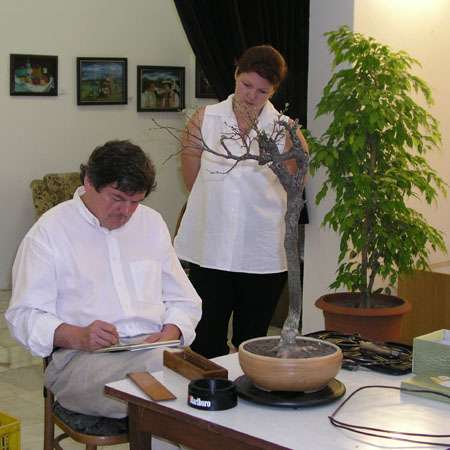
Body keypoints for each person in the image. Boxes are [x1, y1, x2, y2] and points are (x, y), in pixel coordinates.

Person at [5, 140, 201, 418]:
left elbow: (184, 299)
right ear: (88, 182)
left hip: (153, 351)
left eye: (136, 202)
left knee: (204, 388)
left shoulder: (151, 223)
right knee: (174, 396)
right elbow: (23, 316)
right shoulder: (49, 232)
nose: (126, 211)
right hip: (82, 360)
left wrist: (173, 330)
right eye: (117, 198)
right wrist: (78, 336)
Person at [174, 45, 308, 359]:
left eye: (262, 91)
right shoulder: (205, 119)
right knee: (205, 340)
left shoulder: (285, 128)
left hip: (262, 251)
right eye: (246, 85)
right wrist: (218, 203)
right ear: (236, 74)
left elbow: (295, 186)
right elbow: (193, 179)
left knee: (253, 343)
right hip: (210, 247)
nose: (251, 95)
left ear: (274, 91)